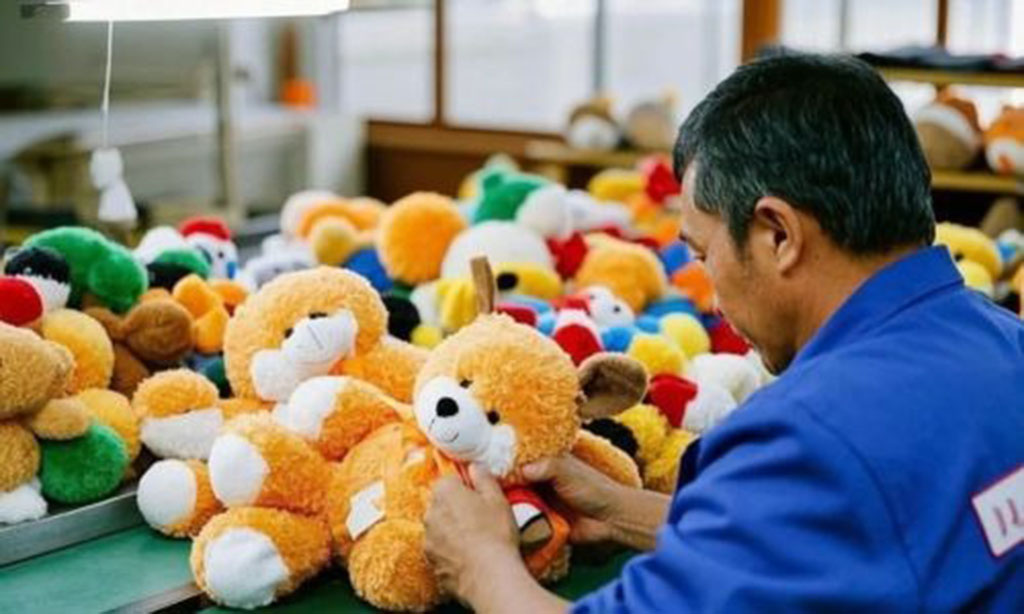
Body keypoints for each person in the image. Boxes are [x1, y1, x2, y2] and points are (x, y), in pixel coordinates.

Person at [423, 53, 1024, 613]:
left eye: (703, 253)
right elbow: (854, 536)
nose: (711, 295)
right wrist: (624, 511)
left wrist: (482, 566)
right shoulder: (1005, 341)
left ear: (778, 235)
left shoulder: (806, 436)